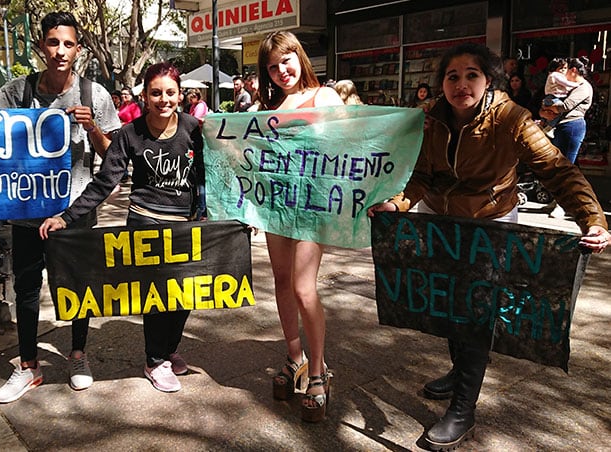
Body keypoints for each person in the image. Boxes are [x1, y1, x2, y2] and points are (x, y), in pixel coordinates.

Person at [367, 43, 609, 451]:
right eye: (452, 76)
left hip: (490, 222)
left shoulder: (511, 118)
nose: (461, 84)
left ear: (489, 80)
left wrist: (594, 220)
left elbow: (556, 169)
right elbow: (422, 176)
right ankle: (461, 370)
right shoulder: (431, 120)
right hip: (442, 222)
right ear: (441, 83)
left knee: (475, 306)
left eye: (471, 75)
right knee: (448, 301)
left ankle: (463, 409)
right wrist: (398, 203)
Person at [39, 61, 203, 393]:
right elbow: (104, 183)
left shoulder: (194, 129)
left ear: (180, 95)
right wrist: (66, 217)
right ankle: (154, 361)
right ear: (145, 95)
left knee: (187, 294)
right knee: (158, 295)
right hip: (144, 221)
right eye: (156, 93)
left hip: (184, 226)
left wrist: (226, 213)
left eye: (170, 93)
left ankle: (168, 349)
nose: (163, 100)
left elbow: (208, 177)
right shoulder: (130, 133)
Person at [0, 11, 121, 404]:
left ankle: (78, 355)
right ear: (40, 47)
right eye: (52, 42)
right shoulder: (16, 92)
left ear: (78, 49)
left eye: (68, 44)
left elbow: (112, 157)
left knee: (79, 287)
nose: (60, 51)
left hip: (76, 213)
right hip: (27, 213)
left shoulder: (94, 94)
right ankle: (28, 365)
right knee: (27, 288)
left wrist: (93, 126)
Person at [255, 30, 344, 422]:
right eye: (272, 67)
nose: (280, 71)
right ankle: (296, 358)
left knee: (303, 287)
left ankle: (320, 371)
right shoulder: (270, 103)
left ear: (300, 56)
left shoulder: (324, 96)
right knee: (279, 279)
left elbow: (353, 143)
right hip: (277, 203)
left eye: (285, 60)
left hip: (313, 204)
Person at [540, 56, 593, 218]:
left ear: (573, 71)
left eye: (566, 70)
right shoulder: (571, 86)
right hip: (561, 126)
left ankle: (564, 205)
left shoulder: (583, 87)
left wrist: (547, 107)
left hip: (572, 126)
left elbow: (565, 106)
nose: (563, 74)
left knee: (566, 167)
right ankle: (558, 200)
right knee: (559, 165)